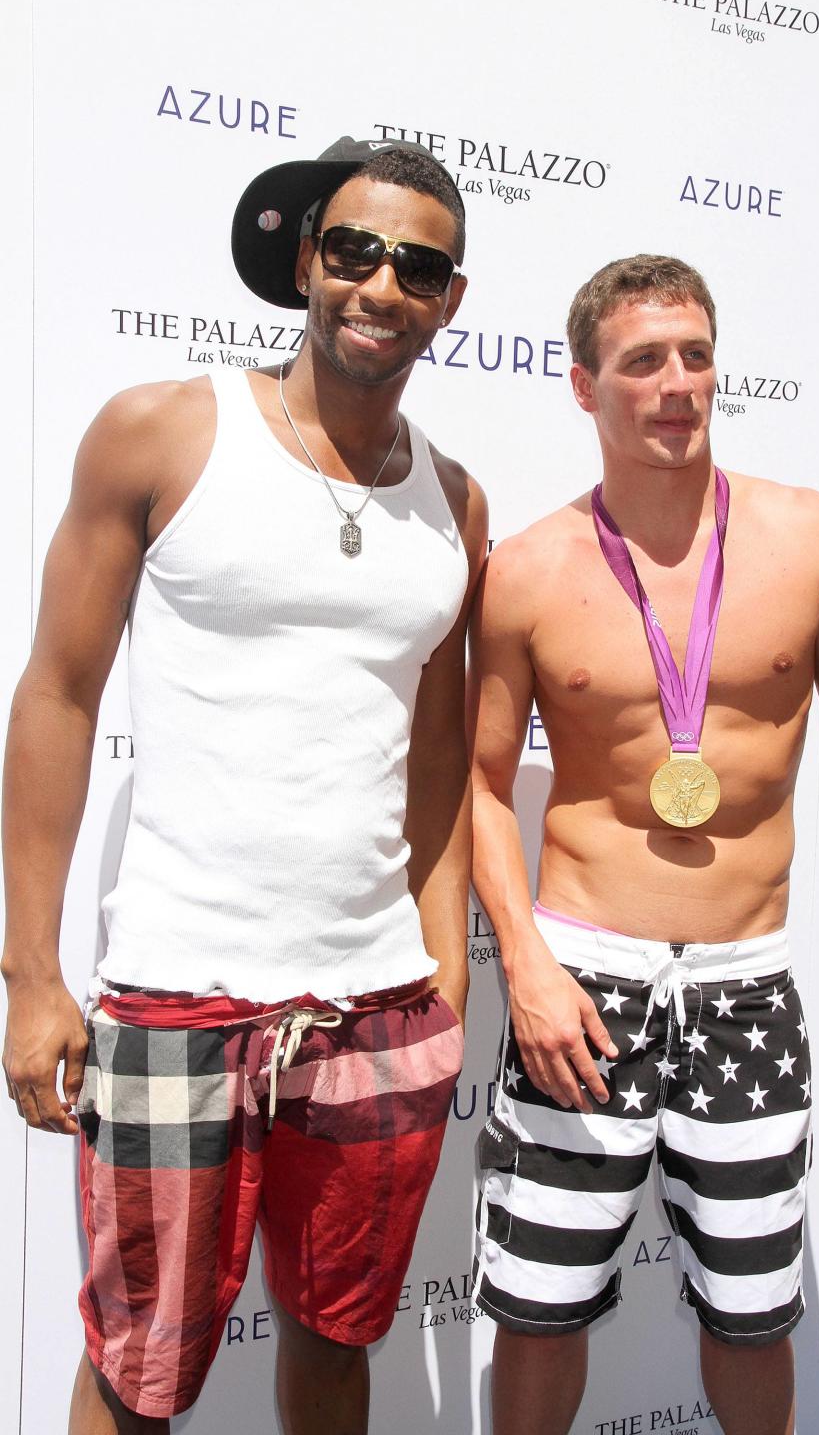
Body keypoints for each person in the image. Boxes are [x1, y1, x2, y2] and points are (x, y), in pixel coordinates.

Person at [1, 135, 487, 1434]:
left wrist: (443, 971)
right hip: (174, 999)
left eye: (419, 266)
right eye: (355, 250)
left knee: (337, 1340)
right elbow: (56, 695)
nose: (382, 285)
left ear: (450, 299)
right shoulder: (164, 431)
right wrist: (33, 976)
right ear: (305, 260)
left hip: (377, 1010)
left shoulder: (456, 502)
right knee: (138, 1372)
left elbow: (440, 751)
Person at [467, 254, 819, 1435]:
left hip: (746, 983)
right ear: (583, 386)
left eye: (695, 354)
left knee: (753, 1307)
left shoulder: (808, 537)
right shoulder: (528, 570)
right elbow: (475, 787)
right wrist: (526, 965)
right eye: (643, 361)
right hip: (583, 985)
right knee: (539, 1308)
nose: (678, 383)